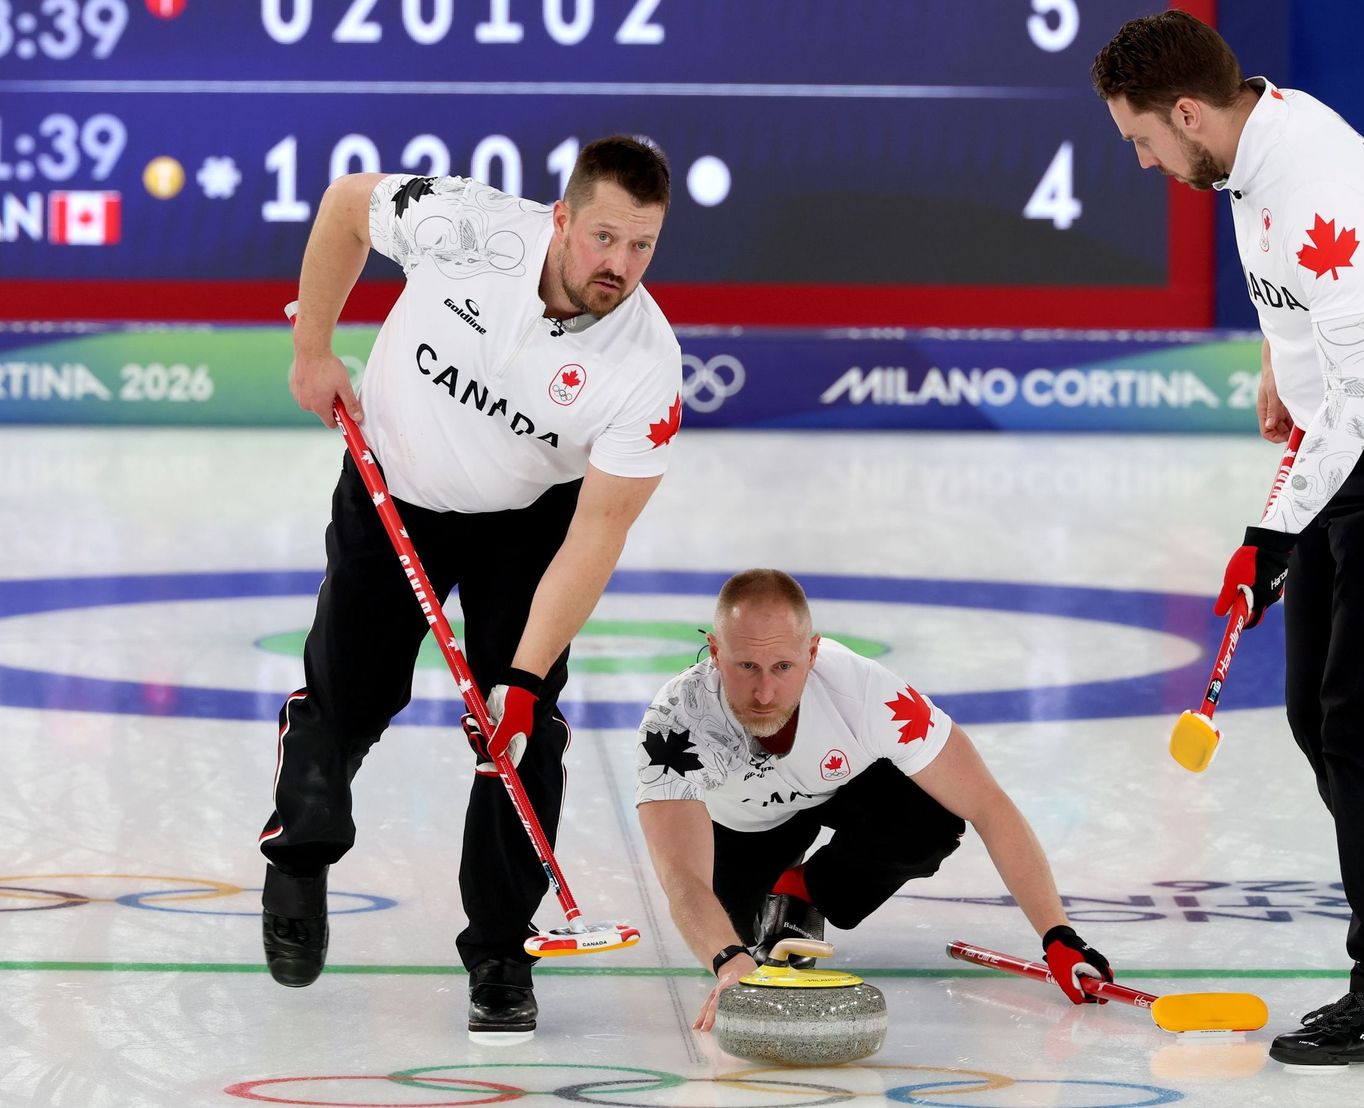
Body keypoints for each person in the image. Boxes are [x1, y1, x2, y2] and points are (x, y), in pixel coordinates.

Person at [1092, 12, 1364, 1067]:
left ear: (1185, 113)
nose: (1138, 159)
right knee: (1321, 722)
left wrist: (1267, 532)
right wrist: (1286, 367)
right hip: (1351, 445)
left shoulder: (1305, 175)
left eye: (1139, 138)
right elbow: (1311, 308)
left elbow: (1361, 403)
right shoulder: (1248, 149)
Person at [257, 136, 683, 1039]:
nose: (620, 265)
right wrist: (313, 351)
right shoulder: (467, 228)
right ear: (562, 219)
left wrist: (523, 684)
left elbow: (598, 532)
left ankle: (498, 950)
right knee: (351, 696)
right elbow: (343, 206)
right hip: (395, 492)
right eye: (604, 237)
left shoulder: (648, 365)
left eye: (642, 246)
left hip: (528, 524)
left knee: (524, 740)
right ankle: (300, 855)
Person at [634, 569, 1115, 1029]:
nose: (764, 691)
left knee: (933, 818)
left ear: (814, 652)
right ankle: (767, 891)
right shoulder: (676, 723)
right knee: (736, 942)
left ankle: (804, 890)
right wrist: (727, 960)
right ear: (715, 652)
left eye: (784, 666)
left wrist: (1058, 935)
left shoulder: (868, 694)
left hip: (835, 792)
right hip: (740, 830)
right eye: (746, 666)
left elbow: (988, 805)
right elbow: (682, 879)